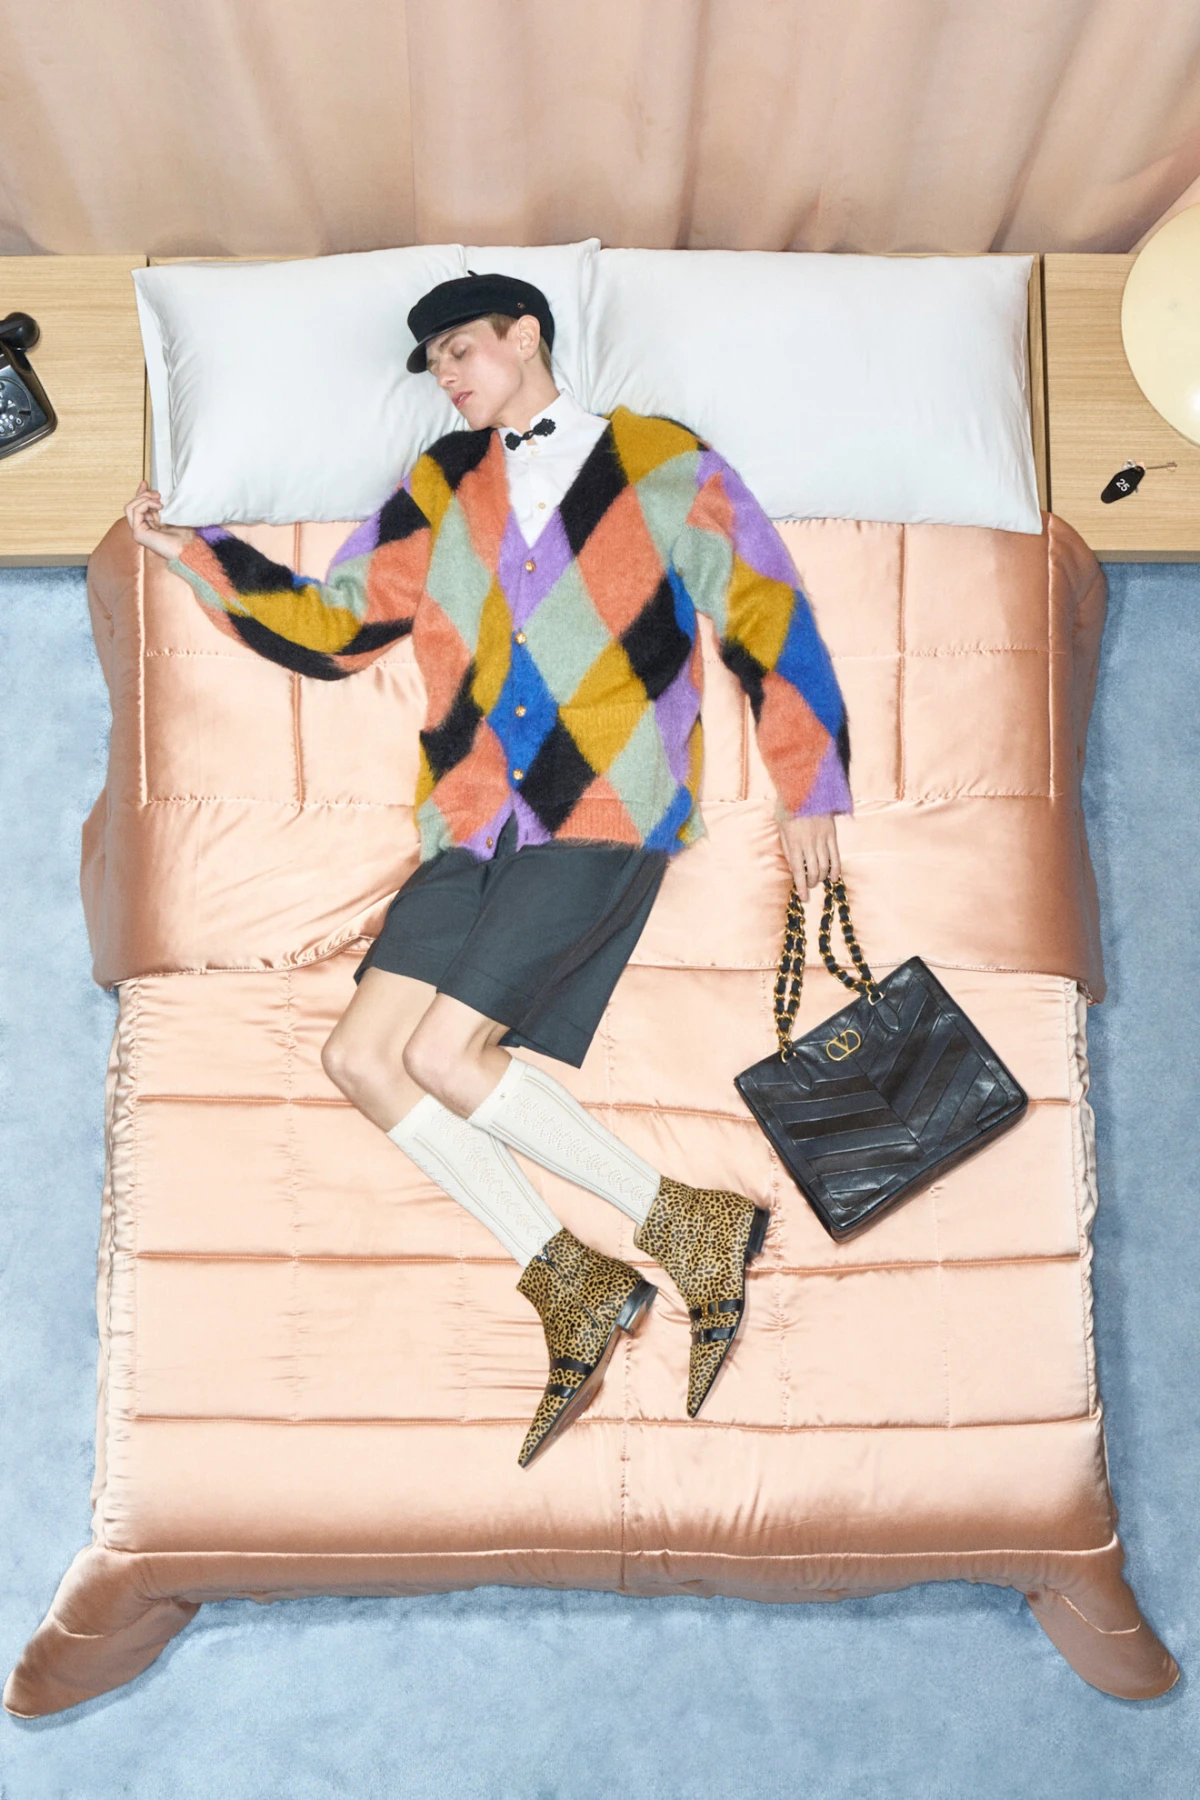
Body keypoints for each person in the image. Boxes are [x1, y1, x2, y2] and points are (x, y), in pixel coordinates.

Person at [125, 272, 852, 1468]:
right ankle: (577, 1277)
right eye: (434, 366)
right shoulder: (440, 482)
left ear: (527, 335)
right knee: (361, 1057)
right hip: (467, 820)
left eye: (461, 350)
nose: (447, 377)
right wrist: (192, 555)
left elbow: (764, 608)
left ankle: (688, 1226)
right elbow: (340, 625)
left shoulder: (661, 457)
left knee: (444, 1055)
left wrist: (808, 780)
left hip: (604, 801)